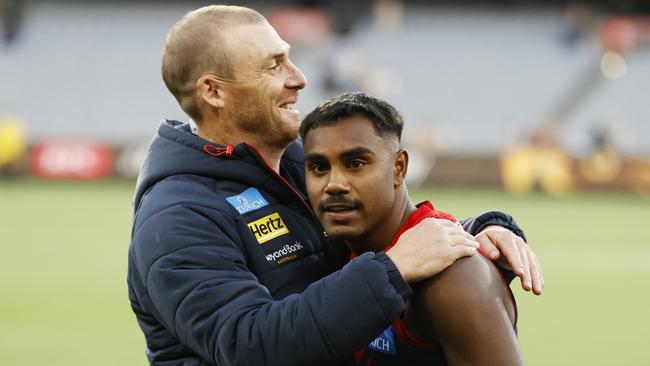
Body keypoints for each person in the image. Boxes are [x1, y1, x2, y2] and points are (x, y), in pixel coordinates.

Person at [127, 5, 542, 366]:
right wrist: (394, 268)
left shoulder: (293, 161)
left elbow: (375, 226)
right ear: (213, 92)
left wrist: (479, 231)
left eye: (290, 59)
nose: (299, 78)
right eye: (274, 66)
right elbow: (249, 345)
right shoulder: (177, 214)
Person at [301, 92, 524, 365]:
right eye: (319, 167)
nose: (334, 184)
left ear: (399, 167)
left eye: (356, 164)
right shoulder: (348, 251)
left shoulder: (454, 279)